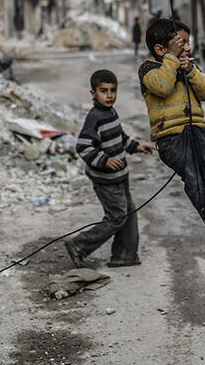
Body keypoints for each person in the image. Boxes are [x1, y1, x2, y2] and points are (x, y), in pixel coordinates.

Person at [138, 19, 205, 257]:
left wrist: (191, 71)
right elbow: (162, 87)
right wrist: (172, 60)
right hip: (171, 138)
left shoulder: (189, 66)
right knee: (194, 179)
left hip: (197, 131)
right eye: (181, 43)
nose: (188, 48)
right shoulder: (149, 69)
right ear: (161, 49)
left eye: (187, 43)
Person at [64, 70, 155, 268]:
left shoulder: (111, 112)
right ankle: (79, 245)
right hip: (105, 180)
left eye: (113, 90)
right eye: (103, 91)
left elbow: (119, 136)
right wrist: (104, 160)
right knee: (117, 217)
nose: (109, 95)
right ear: (93, 93)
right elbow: (83, 146)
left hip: (120, 176)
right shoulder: (94, 117)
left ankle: (125, 254)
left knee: (128, 213)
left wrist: (136, 147)